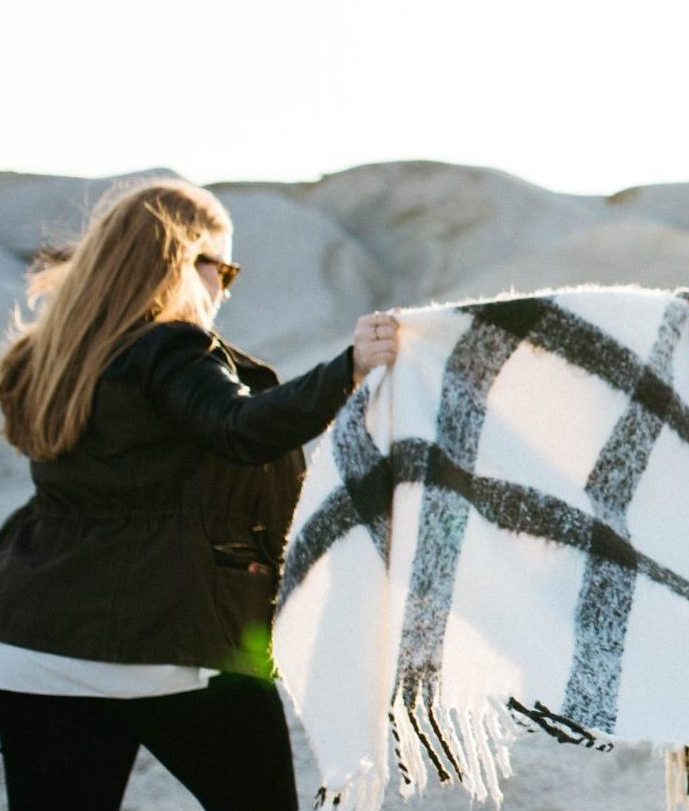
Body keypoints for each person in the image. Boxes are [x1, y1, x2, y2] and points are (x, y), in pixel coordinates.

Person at [0, 178, 399, 810]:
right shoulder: (173, 348)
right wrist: (347, 369)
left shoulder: (47, 359)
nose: (225, 290)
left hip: (35, 647)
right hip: (175, 645)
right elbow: (240, 426)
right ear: (185, 262)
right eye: (225, 268)